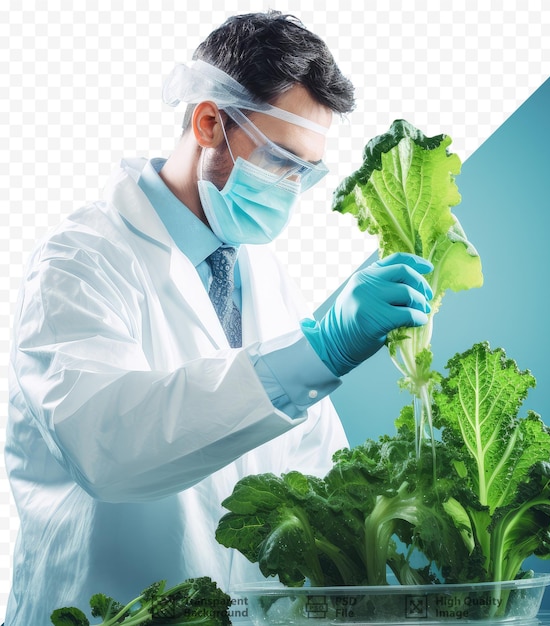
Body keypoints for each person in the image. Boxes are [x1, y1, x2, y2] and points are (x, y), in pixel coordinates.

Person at [3, 10, 433, 625]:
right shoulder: (79, 262)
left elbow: (311, 468)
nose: (290, 189)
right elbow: (108, 449)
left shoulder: (261, 275)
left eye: (305, 173)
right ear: (209, 122)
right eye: (282, 160)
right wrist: (320, 351)